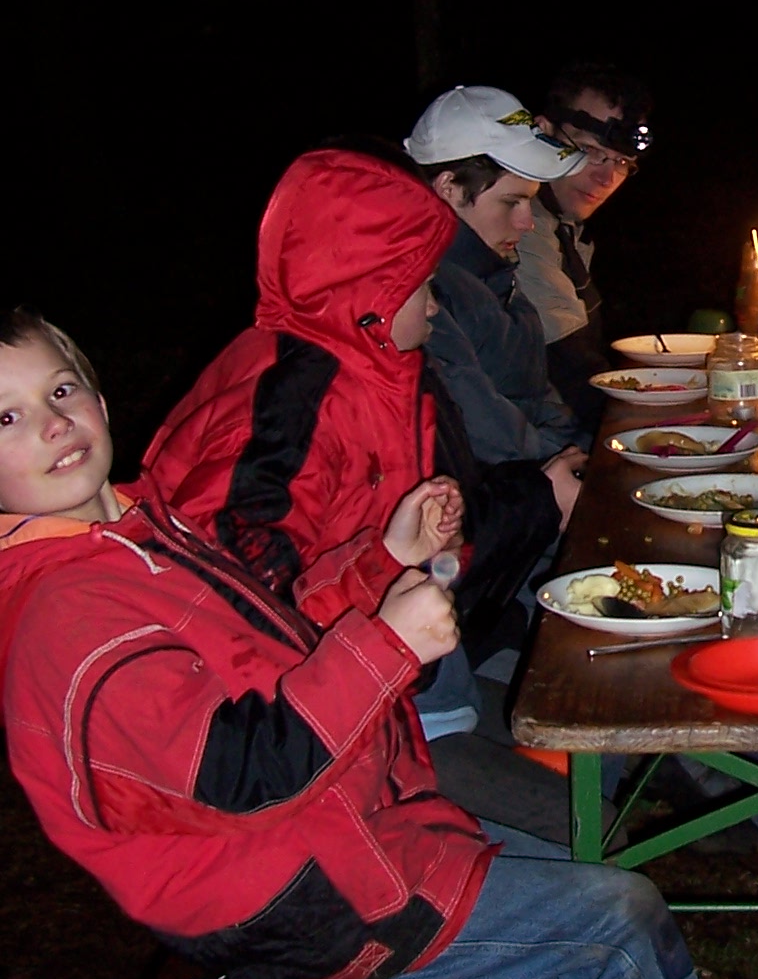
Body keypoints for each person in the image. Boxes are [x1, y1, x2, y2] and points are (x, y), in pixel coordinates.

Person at [0, 307, 758, 979]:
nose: (52, 425)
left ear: (99, 398)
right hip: (288, 894)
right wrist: (387, 645)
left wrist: (380, 562)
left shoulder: (136, 532)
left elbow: (274, 637)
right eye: (8, 418)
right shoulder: (68, 614)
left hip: (340, 827)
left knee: (574, 863)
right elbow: (241, 771)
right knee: (616, 920)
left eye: (59, 391)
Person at [142, 147, 563, 720]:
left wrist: (442, 548)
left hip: (397, 662)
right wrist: (388, 576)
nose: (433, 309)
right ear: (374, 293)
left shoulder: (378, 373)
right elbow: (245, 607)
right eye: (423, 286)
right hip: (319, 703)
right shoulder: (291, 404)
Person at [405, 86, 589, 495]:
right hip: (493, 504)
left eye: (530, 203)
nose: (527, 223)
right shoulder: (423, 294)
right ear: (448, 188)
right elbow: (484, 428)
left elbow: (537, 395)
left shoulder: (494, 270)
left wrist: (587, 447)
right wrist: (579, 464)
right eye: (512, 202)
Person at [515, 60, 654, 443]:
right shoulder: (520, 225)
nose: (607, 178)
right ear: (543, 132)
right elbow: (574, 370)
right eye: (590, 150)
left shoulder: (564, 223)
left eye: (622, 162)